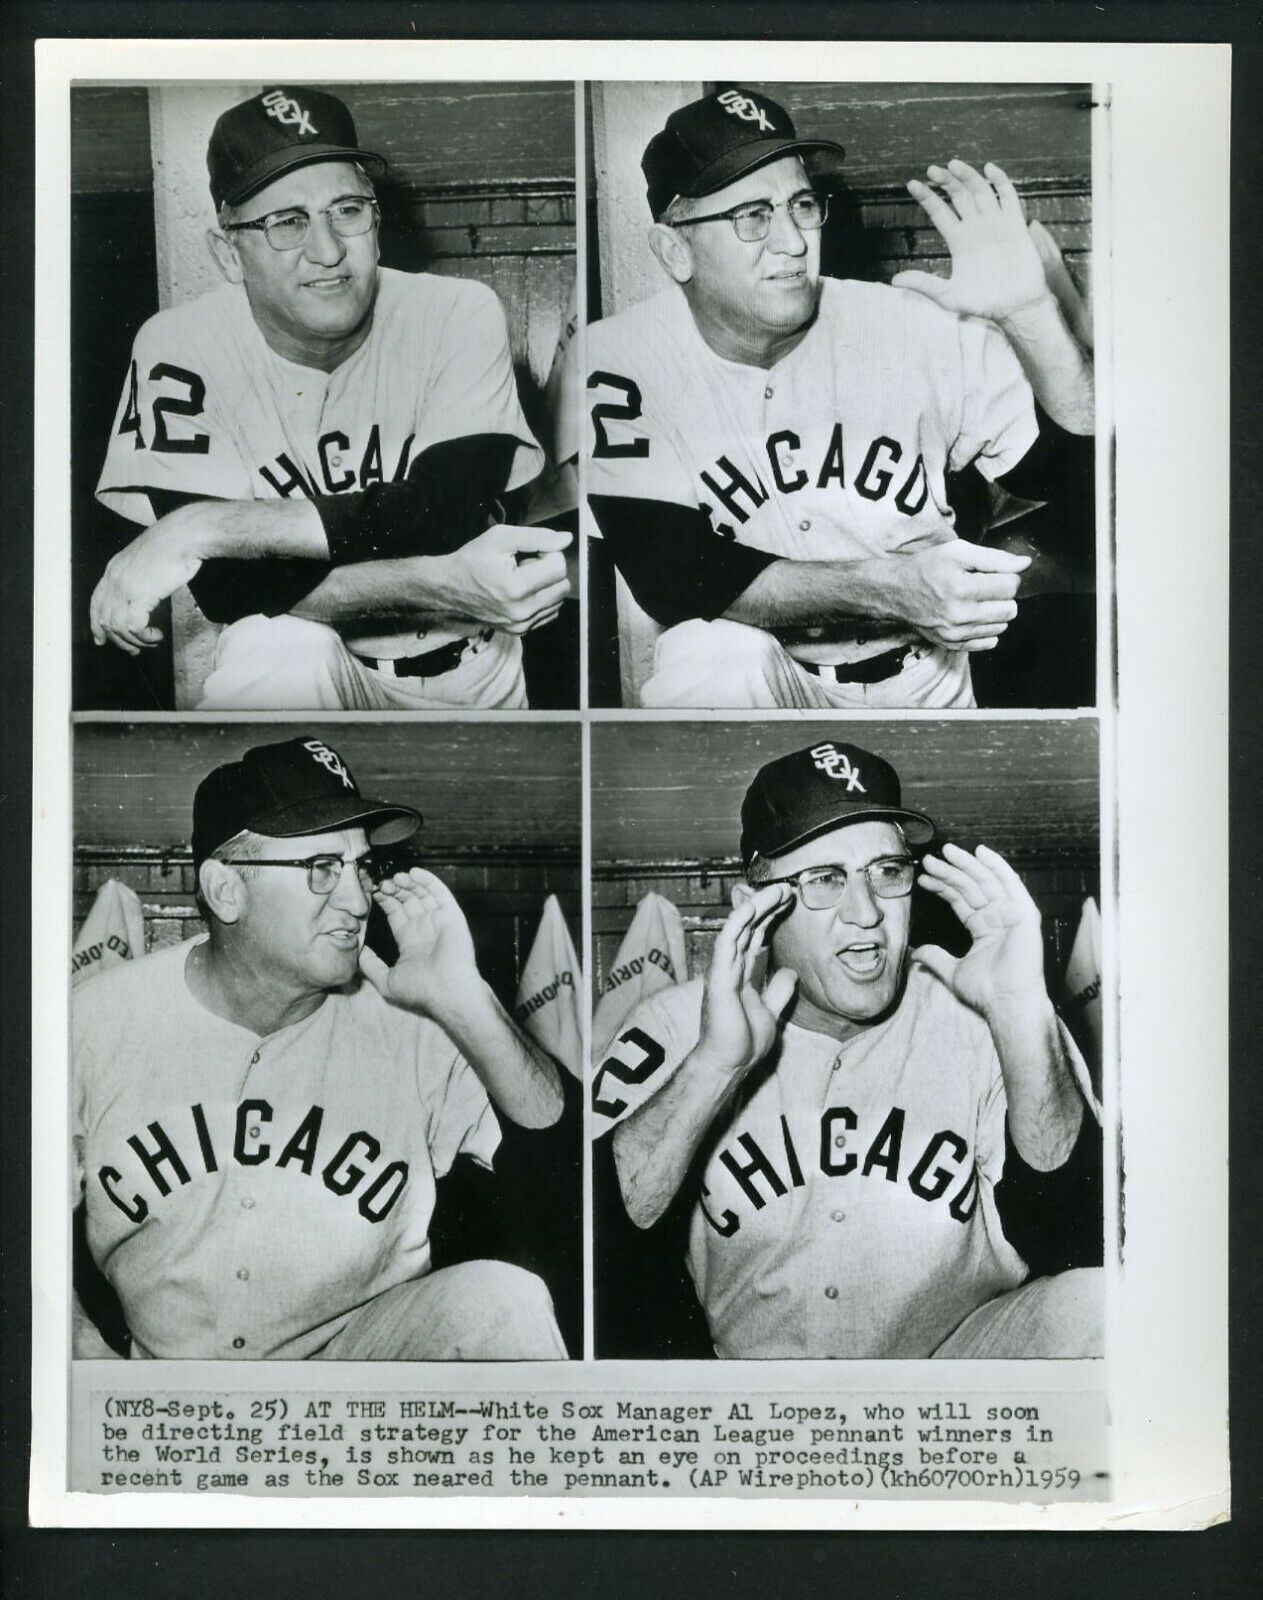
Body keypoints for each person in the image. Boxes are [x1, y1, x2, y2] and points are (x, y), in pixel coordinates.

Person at [586, 88, 1094, 709]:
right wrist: (892, 587)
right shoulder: (621, 356)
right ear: (674, 249)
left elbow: (1084, 489)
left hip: (928, 670)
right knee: (706, 656)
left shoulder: (918, 325)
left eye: (801, 205)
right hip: (771, 673)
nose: (794, 243)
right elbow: (669, 575)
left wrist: (1033, 318)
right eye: (751, 216)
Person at [594, 739, 1103, 1359]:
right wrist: (713, 1065)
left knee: (1097, 1302)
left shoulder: (984, 1012)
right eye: (825, 880)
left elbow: (1078, 1235)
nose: (865, 913)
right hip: (753, 1390)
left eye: (887, 873)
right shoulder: (674, 1025)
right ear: (753, 906)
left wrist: (1022, 1011)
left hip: (951, 1370)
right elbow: (592, 1254)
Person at [72, 735, 568, 1360]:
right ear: (227, 890)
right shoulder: (94, 1019)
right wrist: (86, 1361)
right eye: (321, 869)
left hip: (356, 1365)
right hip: (172, 1384)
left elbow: (567, 1178)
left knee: (502, 1302)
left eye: (362, 866)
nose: (359, 900)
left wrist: (468, 1004)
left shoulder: (415, 1025)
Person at [90, 86, 571, 709]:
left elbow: (445, 508)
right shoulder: (180, 344)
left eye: (347, 210)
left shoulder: (455, 310)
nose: (328, 251)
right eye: (287, 223)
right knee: (275, 644)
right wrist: (439, 582)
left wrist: (198, 526)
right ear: (228, 252)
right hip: (318, 655)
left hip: (476, 671)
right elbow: (229, 589)